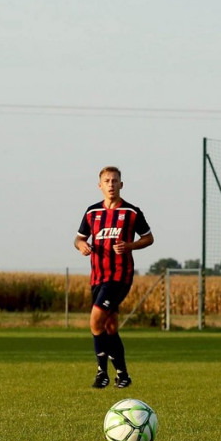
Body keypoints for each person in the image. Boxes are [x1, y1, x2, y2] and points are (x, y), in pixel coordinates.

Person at [74, 166, 154, 389]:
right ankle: (123, 375)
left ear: (121, 184)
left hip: (119, 276)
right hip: (97, 278)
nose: (111, 184)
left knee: (95, 319)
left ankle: (102, 372)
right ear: (99, 185)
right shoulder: (92, 212)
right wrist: (82, 246)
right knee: (109, 327)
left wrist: (129, 245)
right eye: (107, 181)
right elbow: (78, 239)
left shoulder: (131, 212)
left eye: (115, 180)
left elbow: (148, 238)